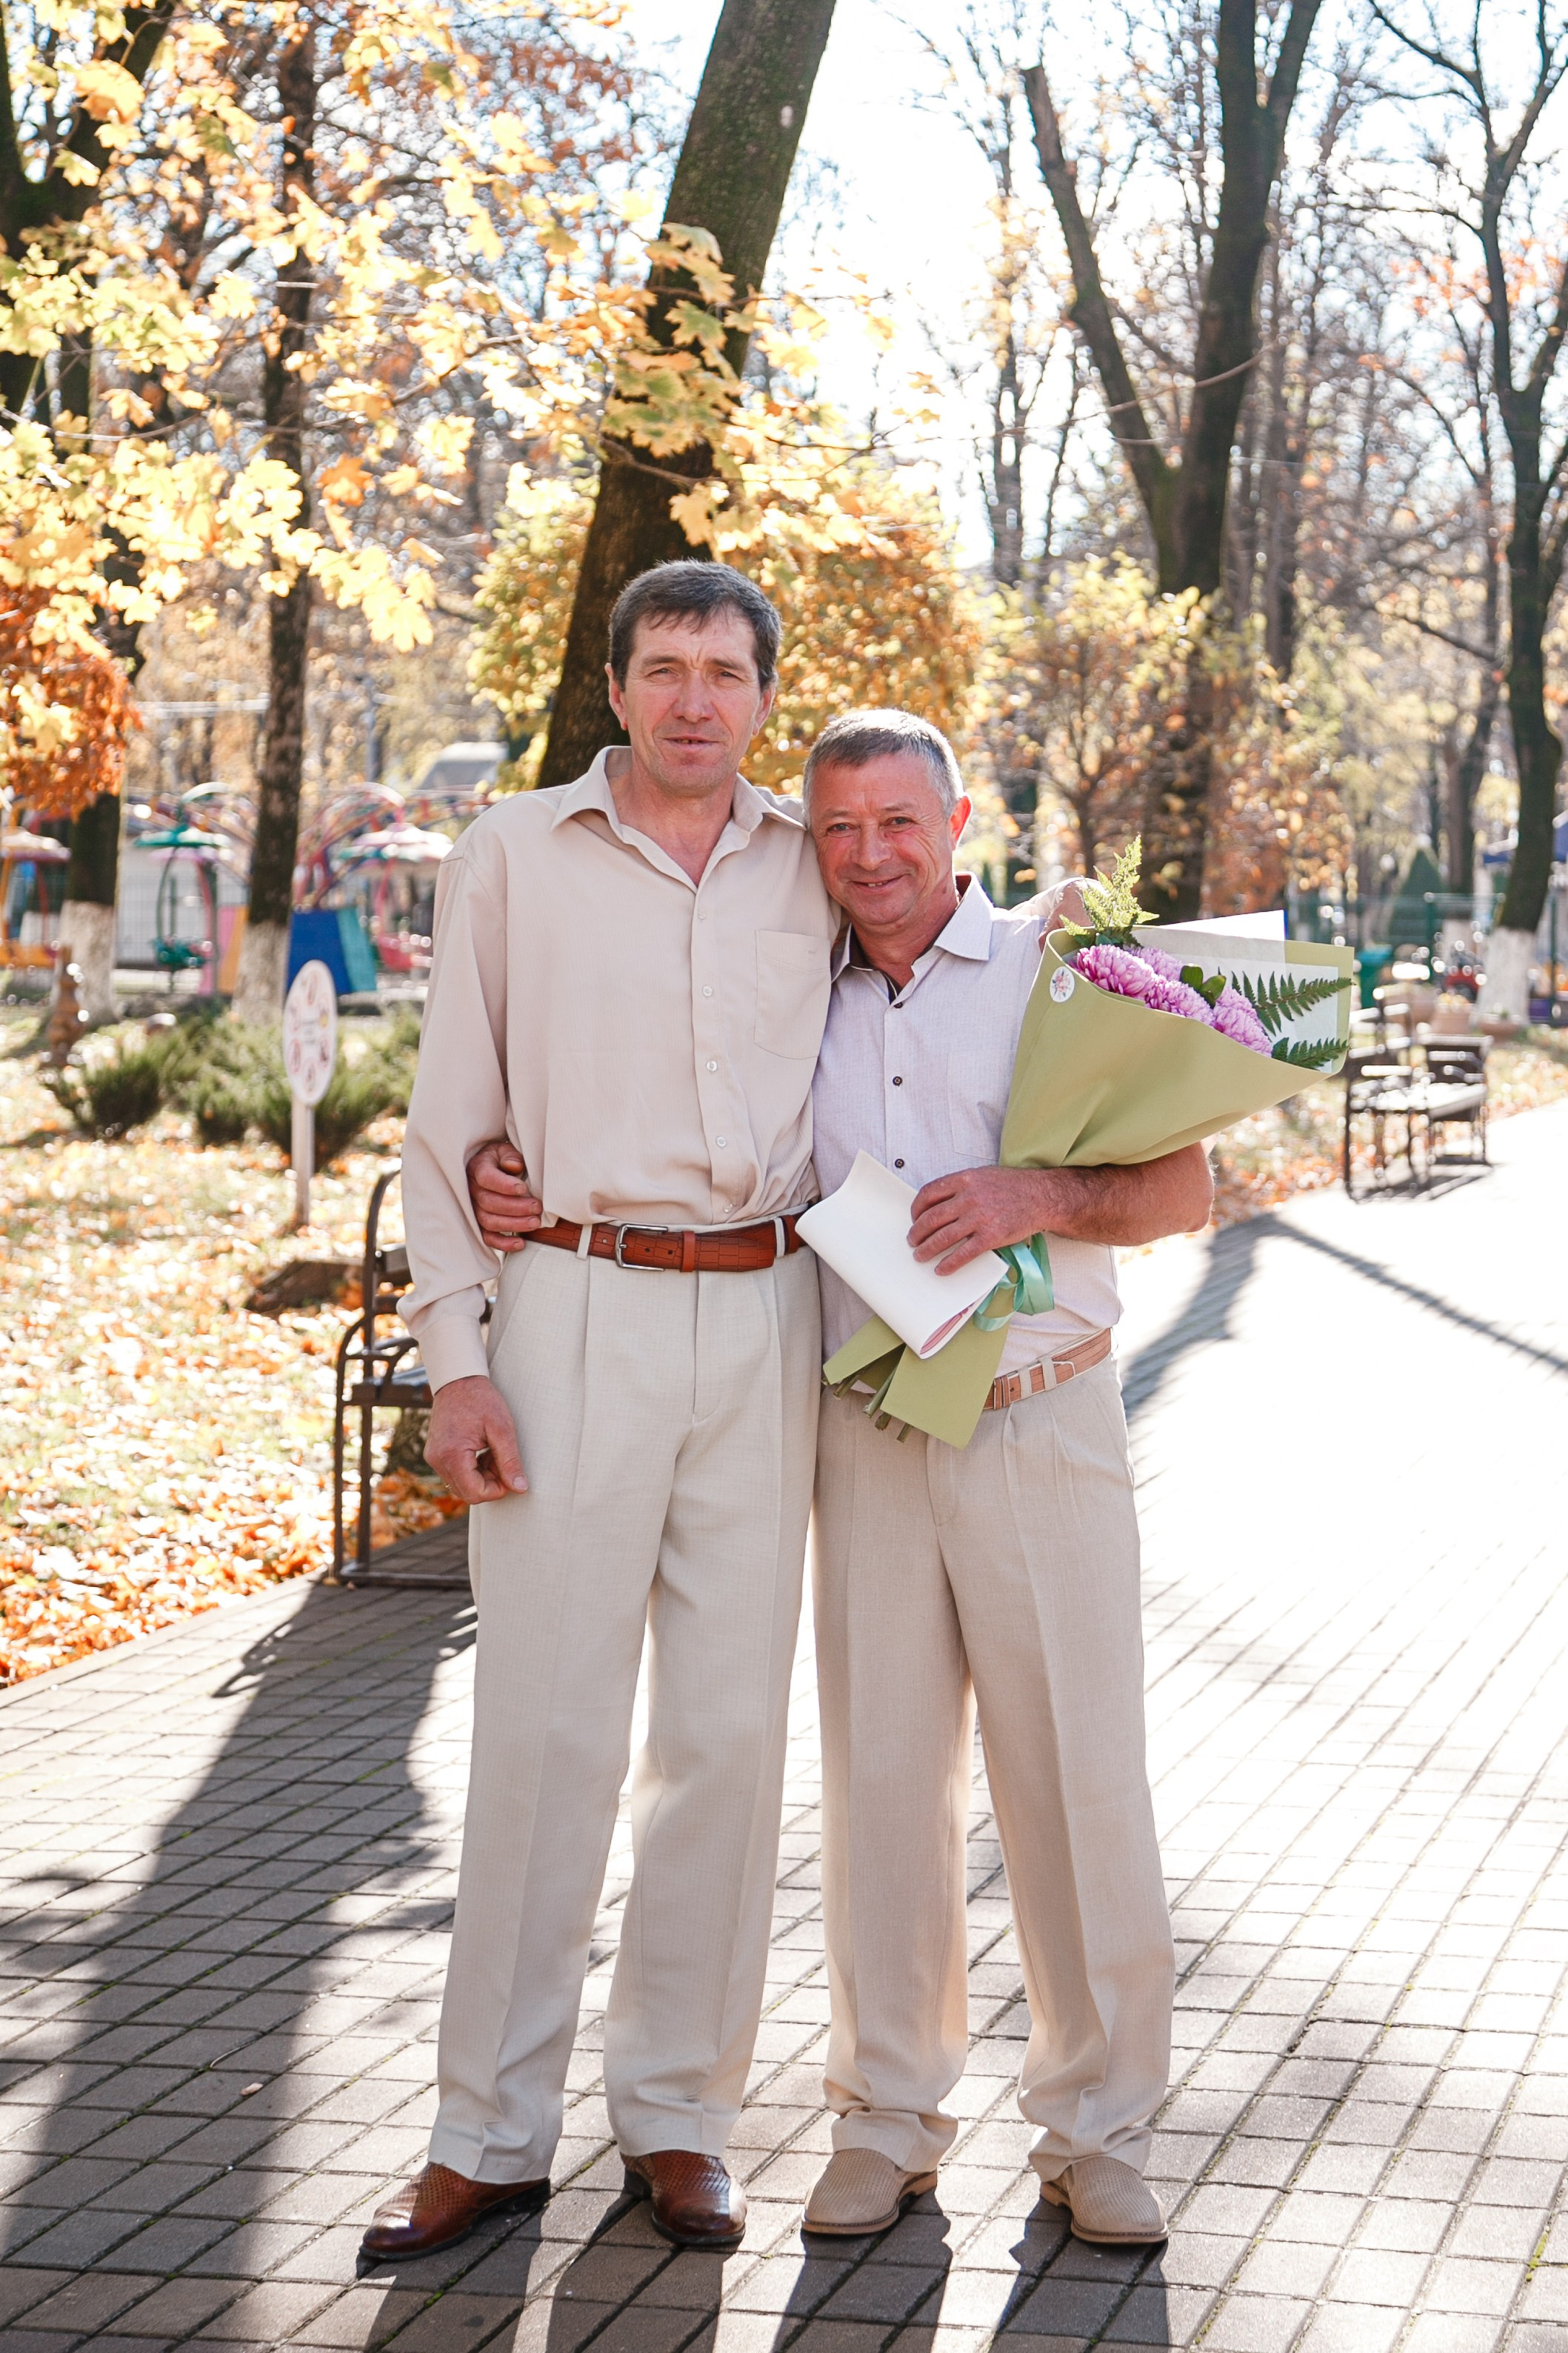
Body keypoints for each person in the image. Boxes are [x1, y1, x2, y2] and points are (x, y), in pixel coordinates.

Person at [469, 709, 1211, 2252]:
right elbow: (667, 1114)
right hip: (865, 1428)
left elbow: (1191, 1181)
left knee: (1077, 1777)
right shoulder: (784, 981)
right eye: (841, 829)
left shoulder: (1065, 957)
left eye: (900, 823)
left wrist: (1037, 1190)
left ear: (959, 822)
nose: (871, 856)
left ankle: (1103, 2126)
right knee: (881, 1789)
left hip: (1038, 1416)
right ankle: (886, 2116)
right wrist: (507, 1167)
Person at [359, 561, 838, 2267]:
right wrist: (456, 1352)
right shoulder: (514, 857)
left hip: (770, 1313)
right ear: (617, 686)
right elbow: (446, 1130)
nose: (694, 697)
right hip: (570, 1305)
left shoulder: (816, 863)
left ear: (768, 696)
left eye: (725, 669)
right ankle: (485, 2131)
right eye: (663, 667)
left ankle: (683, 2121)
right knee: (548, 1734)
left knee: (722, 1743)